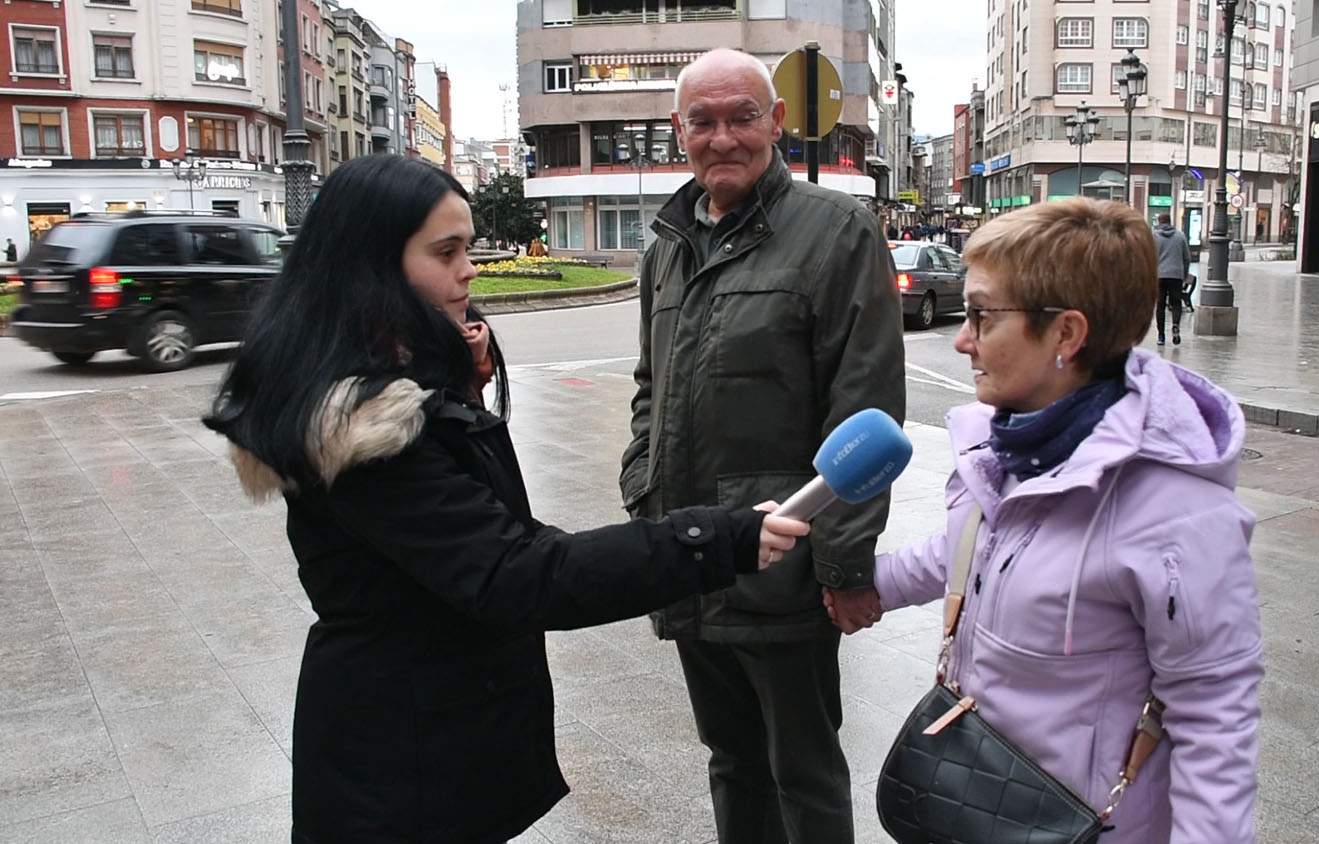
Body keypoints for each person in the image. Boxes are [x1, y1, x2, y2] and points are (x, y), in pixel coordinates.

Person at [201, 155, 810, 843]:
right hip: (400, 763)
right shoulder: (365, 432)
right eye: (446, 252)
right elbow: (518, 572)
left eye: (468, 248)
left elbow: (480, 529)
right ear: (370, 263)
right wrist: (713, 538)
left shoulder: (400, 391)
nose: (469, 270)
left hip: (425, 737)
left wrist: (454, 390)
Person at [841, 198, 1262, 842]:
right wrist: (847, 581)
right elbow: (964, 553)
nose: (962, 339)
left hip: (1084, 824)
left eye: (982, 316)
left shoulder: (1178, 512)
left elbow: (1215, 719)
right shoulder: (1007, 445)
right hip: (978, 799)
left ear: (1066, 334)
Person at [620, 48, 905, 844]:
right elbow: (652, 386)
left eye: (741, 116)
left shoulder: (837, 230)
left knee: (804, 773)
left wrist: (846, 566)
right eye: (702, 122)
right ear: (679, 131)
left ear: (776, 120)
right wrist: (643, 485)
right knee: (730, 761)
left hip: (786, 559)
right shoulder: (668, 244)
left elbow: (865, 409)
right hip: (690, 551)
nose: (723, 138)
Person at [1152, 212, 1189, 345]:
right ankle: (1175, 327)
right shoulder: (1180, 235)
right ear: (1170, 221)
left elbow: (1150, 257)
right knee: (1176, 303)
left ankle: (1161, 336)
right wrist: (1184, 274)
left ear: (1159, 222)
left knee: (1160, 305)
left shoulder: (1154, 236)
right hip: (1176, 275)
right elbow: (1186, 257)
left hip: (1159, 276)